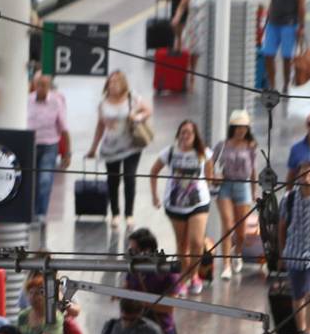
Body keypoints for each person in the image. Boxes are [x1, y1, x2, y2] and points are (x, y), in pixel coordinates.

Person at [150, 118, 213, 295]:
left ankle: (195, 275)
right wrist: (155, 195)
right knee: (182, 244)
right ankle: (184, 276)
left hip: (198, 202)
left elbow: (209, 176)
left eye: (190, 133)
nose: (186, 136)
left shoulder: (204, 153)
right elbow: (154, 172)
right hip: (175, 204)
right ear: (178, 135)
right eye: (183, 132)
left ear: (195, 136)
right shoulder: (169, 152)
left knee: (196, 241)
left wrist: (212, 184)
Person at [88, 70, 153, 221]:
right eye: (111, 81)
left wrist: (137, 116)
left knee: (129, 177)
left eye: (116, 81)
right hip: (111, 147)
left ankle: (129, 214)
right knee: (113, 179)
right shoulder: (103, 103)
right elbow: (100, 126)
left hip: (131, 144)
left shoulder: (132, 97)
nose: (113, 84)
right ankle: (115, 213)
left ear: (123, 83)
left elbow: (148, 110)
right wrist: (93, 148)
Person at [209, 111, 259, 281]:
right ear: (233, 128)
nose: (240, 131)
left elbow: (253, 170)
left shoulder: (251, 146)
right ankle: (226, 265)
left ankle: (237, 253)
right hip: (225, 185)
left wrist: (254, 190)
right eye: (237, 127)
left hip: (243, 185)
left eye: (243, 127)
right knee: (227, 224)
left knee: (241, 229)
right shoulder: (222, 144)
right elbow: (210, 162)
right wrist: (212, 177)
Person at [259, 0, 307, 93]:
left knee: (287, 57)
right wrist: (267, 19)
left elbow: (301, 3)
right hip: (273, 23)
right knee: (268, 54)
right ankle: (272, 85)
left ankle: (286, 85)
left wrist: (301, 25)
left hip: (289, 23)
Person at [27, 70, 72, 220]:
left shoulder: (56, 101)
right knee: (31, 181)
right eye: (38, 84)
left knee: (45, 180)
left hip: (49, 146)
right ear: (34, 84)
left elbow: (64, 129)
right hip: (30, 146)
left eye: (44, 85)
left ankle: (41, 214)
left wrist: (67, 153)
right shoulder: (27, 100)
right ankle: (31, 213)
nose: (41, 88)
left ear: (49, 86)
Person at [283, 165, 310, 334]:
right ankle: (301, 330)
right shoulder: (288, 199)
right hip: (294, 251)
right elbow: (282, 225)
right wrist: (281, 252)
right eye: (303, 174)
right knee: (297, 295)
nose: (306, 177)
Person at [287, 110, 310, 186]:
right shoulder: (296, 149)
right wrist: (287, 194)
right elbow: (291, 175)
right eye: (309, 124)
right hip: (300, 194)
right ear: (306, 126)